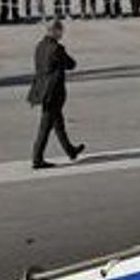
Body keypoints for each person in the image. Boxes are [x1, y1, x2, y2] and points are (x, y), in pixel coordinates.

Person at [26, 18, 85, 170]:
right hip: (53, 93)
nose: (62, 34)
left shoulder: (39, 46)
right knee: (45, 127)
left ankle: (70, 151)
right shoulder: (56, 49)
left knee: (58, 123)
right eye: (61, 31)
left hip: (42, 90)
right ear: (55, 31)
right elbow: (72, 64)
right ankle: (37, 159)